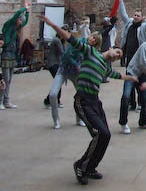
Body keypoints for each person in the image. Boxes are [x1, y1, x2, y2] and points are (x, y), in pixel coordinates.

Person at [40, 15, 138, 185]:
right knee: (101, 134)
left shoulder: (103, 66)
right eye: (117, 53)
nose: (116, 57)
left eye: (118, 57)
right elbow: (70, 39)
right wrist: (52, 25)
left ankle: (90, 167)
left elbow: (116, 75)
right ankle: (81, 166)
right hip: (83, 101)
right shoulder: (91, 52)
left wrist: (132, 78)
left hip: (95, 102)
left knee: (105, 135)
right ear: (112, 48)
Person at [0, 4, 30, 110]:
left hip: (13, 55)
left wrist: (28, 14)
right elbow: (16, 15)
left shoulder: (16, 28)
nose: (21, 23)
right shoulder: (9, 25)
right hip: (6, 54)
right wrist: (25, 9)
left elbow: (25, 22)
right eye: (20, 20)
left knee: (9, 79)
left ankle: (6, 101)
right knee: (5, 79)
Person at [43, 32, 67, 110]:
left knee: (58, 83)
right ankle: (50, 101)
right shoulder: (57, 40)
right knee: (58, 82)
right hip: (53, 64)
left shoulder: (60, 41)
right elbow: (62, 52)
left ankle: (53, 100)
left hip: (56, 64)